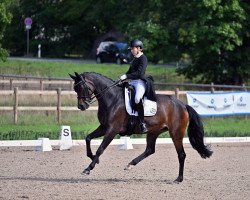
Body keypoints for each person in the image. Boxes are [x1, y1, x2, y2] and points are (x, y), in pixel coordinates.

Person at [119, 39, 148, 133]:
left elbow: (139, 73)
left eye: (133, 48)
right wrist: (122, 78)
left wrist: (127, 76)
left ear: (139, 48)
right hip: (132, 82)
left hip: (140, 82)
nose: (131, 50)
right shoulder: (135, 59)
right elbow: (130, 71)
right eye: (131, 49)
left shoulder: (143, 58)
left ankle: (142, 123)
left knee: (137, 98)